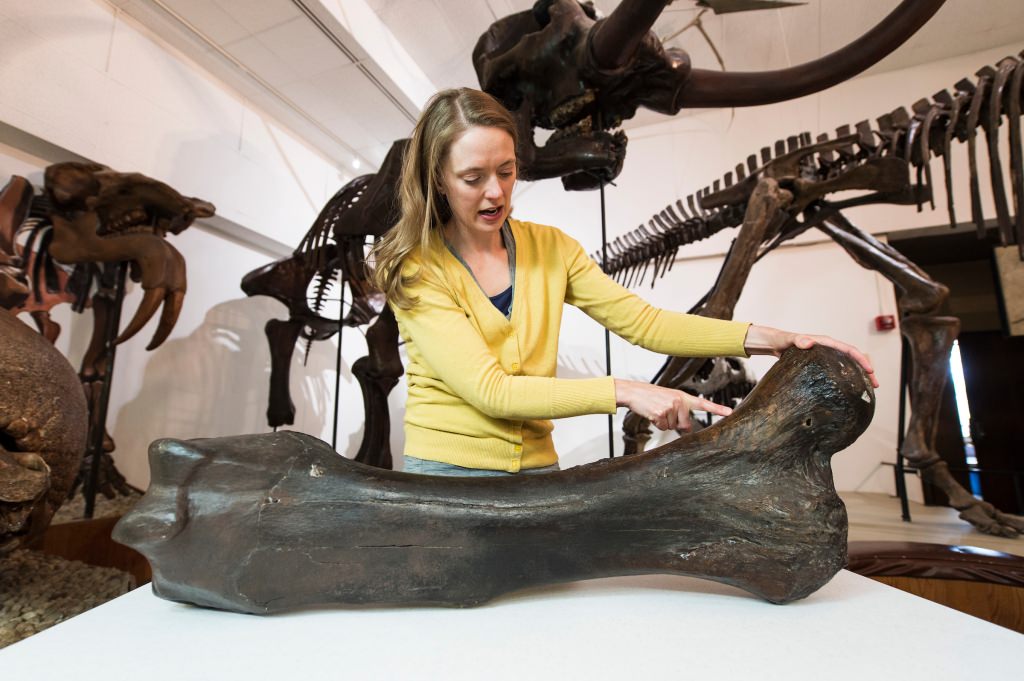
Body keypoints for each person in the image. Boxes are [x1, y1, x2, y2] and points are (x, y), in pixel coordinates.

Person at [370, 88, 877, 477]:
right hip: (447, 476)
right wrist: (627, 391)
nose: (496, 192)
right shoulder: (417, 266)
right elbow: (492, 391)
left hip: (539, 470)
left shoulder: (551, 248)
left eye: (506, 171)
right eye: (473, 177)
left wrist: (771, 340)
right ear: (438, 178)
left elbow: (644, 323)